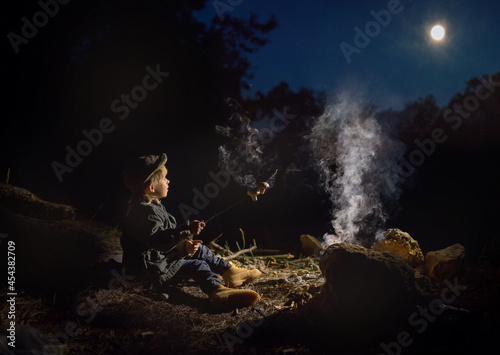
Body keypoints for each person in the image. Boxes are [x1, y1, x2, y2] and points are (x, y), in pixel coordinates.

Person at [120, 153, 262, 308]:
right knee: (197, 265)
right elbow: (158, 241)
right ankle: (217, 292)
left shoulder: (152, 205)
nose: (168, 181)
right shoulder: (145, 213)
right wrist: (185, 231)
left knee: (198, 249)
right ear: (151, 187)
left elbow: (160, 239)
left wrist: (184, 244)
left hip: (158, 262)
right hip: (152, 272)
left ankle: (230, 272)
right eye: (163, 178)